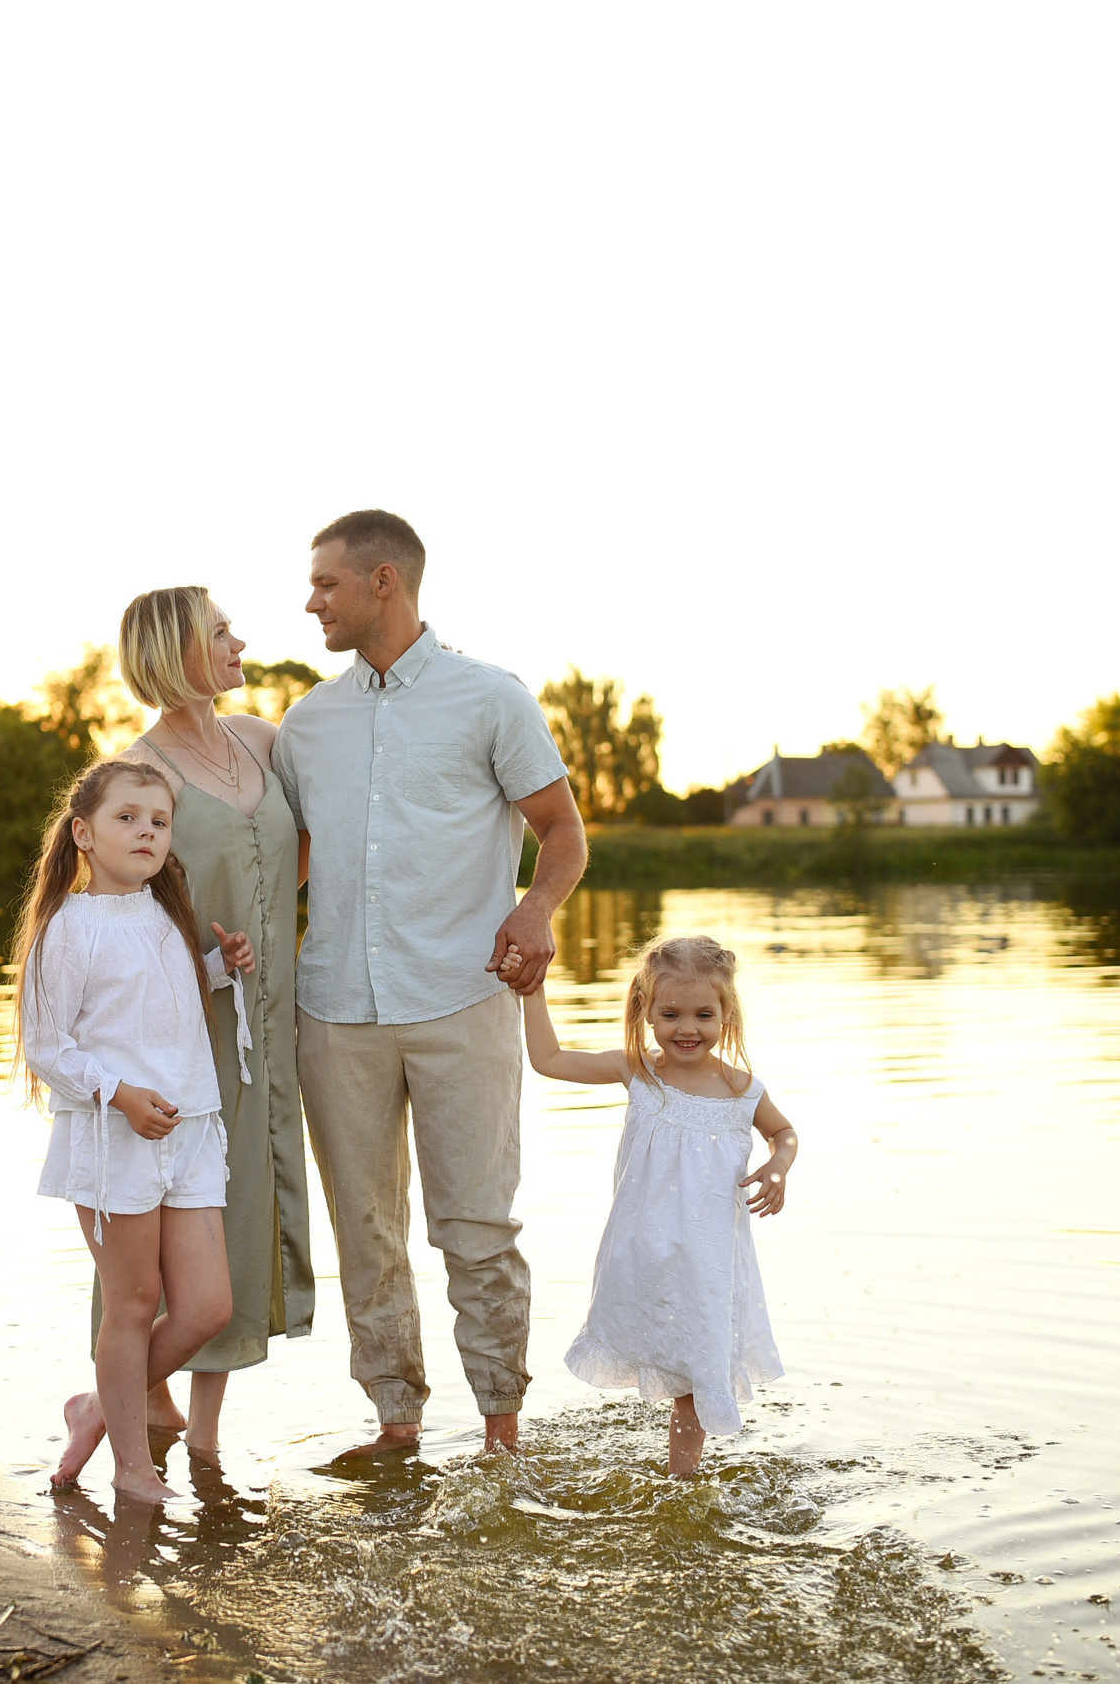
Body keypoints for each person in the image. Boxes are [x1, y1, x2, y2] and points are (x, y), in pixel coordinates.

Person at [272, 509, 589, 1459]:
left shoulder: (490, 697)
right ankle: (397, 1424)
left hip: (463, 999)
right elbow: (292, 859)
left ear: (383, 581)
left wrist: (534, 912)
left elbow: (563, 833)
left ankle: (501, 1428)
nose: (311, 600)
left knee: (476, 1225)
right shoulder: (307, 721)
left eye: (325, 583)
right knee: (364, 1231)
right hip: (336, 1011)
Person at [106, 586, 312, 1461]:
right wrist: (203, 959)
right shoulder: (140, 774)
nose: (239, 641)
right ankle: (136, 1402)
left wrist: (260, 919)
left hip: (269, 1015)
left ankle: (208, 1440)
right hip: (183, 1026)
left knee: (241, 1204)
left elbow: (293, 850)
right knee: (171, 1207)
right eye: (220, 631)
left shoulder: (262, 740)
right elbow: (119, 906)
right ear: (178, 652)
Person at [16, 759, 256, 1504]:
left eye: (158, 820)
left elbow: (163, 997)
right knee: (132, 1301)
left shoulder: (163, 913)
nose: (147, 831)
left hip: (190, 1128)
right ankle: (130, 1466)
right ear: (83, 833)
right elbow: (48, 1047)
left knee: (208, 1307)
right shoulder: (68, 928)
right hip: (113, 1137)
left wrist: (220, 966)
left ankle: (95, 1407)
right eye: (128, 818)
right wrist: (118, 1095)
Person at [513, 933, 796, 1478]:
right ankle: (674, 1477)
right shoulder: (638, 1072)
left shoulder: (742, 1089)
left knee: (695, 1368)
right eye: (671, 1013)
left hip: (709, 1260)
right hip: (643, 1251)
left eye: (703, 1015)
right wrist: (534, 989)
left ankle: (681, 1481)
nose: (687, 1028)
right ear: (645, 1011)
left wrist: (777, 1167)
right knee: (661, 1347)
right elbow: (547, 1060)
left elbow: (783, 1133)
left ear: (726, 1015)